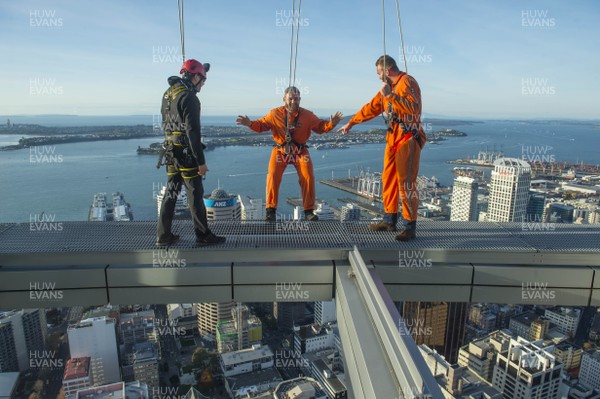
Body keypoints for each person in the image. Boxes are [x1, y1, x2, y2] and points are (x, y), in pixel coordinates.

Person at [338, 55, 425, 241]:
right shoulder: (387, 89)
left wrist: (390, 96)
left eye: (378, 73)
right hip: (393, 138)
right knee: (389, 179)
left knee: (406, 183)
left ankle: (410, 226)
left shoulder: (407, 82)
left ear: (386, 71)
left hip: (408, 137)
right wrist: (351, 123)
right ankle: (389, 219)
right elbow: (370, 108)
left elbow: (414, 108)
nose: (378, 77)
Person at [236, 87, 343, 221]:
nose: (293, 101)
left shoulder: (308, 115)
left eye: (296, 98)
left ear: (300, 100)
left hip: (300, 151)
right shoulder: (274, 114)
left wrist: (331, 124)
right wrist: (250, 124)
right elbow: (262, 125)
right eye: (290, 99)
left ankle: (309, 211)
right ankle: (271, 210)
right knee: (273, 176)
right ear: (284, 99)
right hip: (281, 151)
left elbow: (321, 127)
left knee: (308, 176)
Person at [156, 58, 226, 246]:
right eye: (203, 80)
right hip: (186, 153)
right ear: (195, 77)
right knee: (195, 194)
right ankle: (203, 235)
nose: (203, 84)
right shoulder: (189, 97)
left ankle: (163, 236)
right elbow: (193, 132)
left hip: (170, 150)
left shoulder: (168, 94)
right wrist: (201, 162)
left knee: (171, 192)